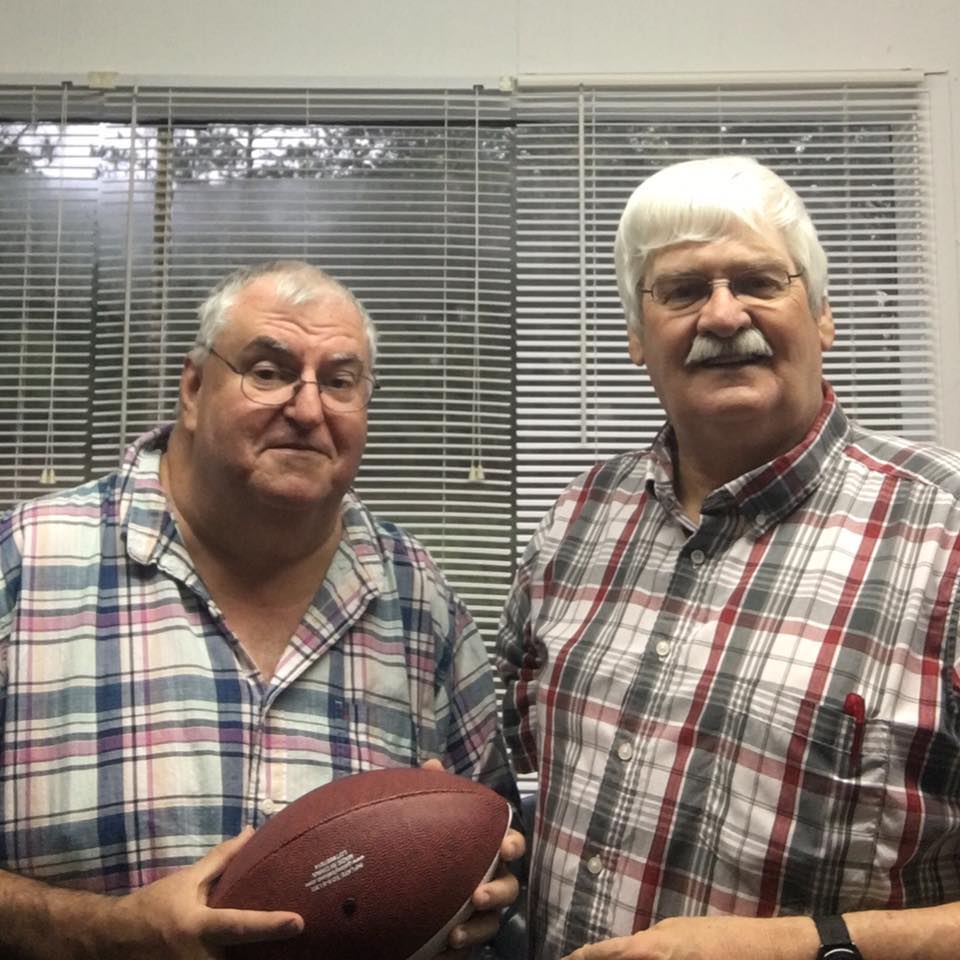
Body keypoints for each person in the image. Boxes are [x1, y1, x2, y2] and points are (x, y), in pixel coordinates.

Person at [497, 156, 960, 960]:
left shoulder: (945, 532)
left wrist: (803, 947)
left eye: (758, 281)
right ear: (637, 338)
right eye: (682, 291)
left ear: (822, 316)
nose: (721, 315)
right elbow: (526, 780)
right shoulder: (576, 522)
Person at [0, 260, 523, 958]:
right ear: (193, 388)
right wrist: (106, 933)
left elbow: (497, 844)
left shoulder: (420, 601)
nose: (308, 410)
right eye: (268, 372)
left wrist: (477, 890)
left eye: (339, 382)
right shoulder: (24, 566)